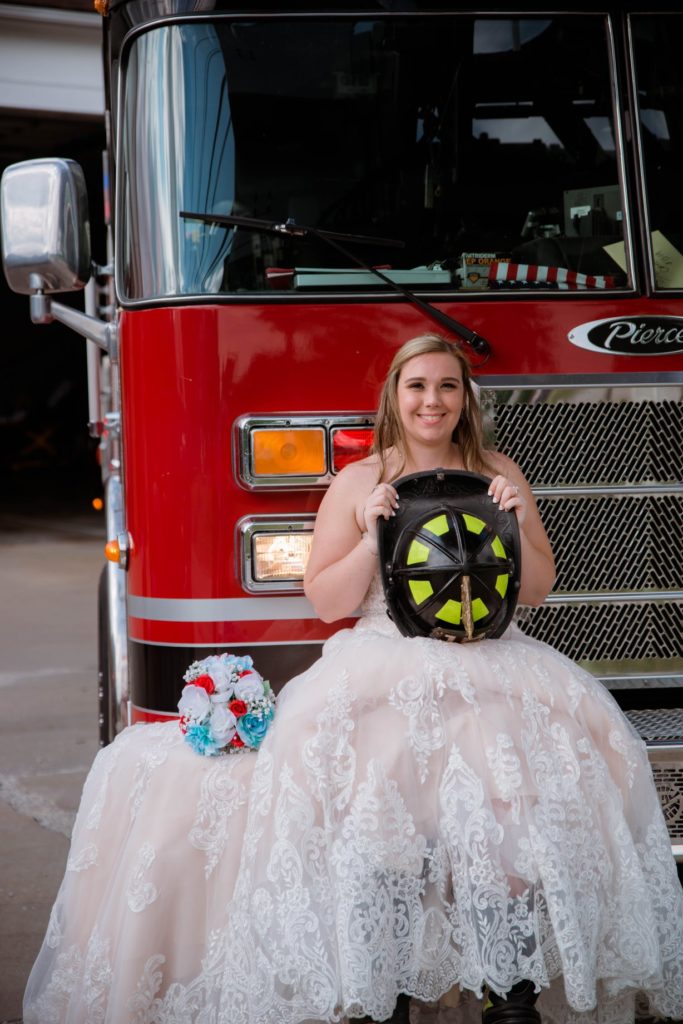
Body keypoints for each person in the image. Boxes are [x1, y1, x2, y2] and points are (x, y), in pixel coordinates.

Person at [24, 334, 683, 1024]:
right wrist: (371, 538)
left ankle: (508, 990)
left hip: (491, 657)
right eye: (417, 386)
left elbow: (538, 590)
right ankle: (385, 986)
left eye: (447, 387)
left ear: (465, 400)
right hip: (383, 658)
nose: (432, 401)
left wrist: (514, 518)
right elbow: (328, 603)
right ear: (394, 399)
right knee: (379, 809)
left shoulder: (500, 471)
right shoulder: (357, 480)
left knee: (511, 804)